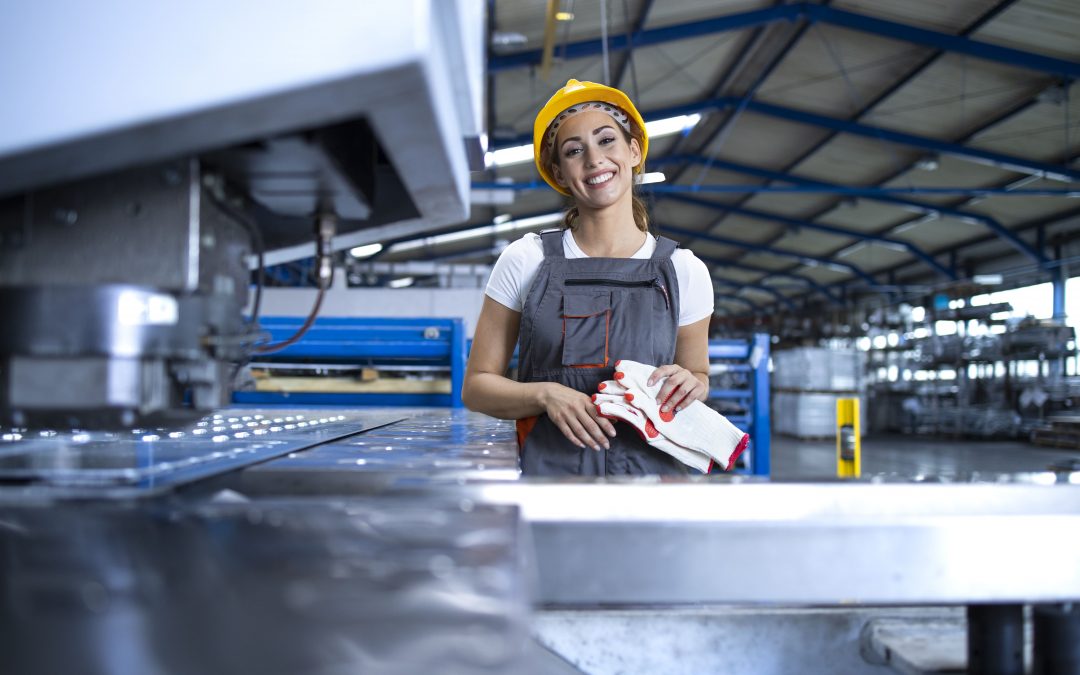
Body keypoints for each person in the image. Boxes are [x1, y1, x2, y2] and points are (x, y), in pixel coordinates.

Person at [462, 79, 715, 476]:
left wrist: (692, 382)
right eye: (574, 150)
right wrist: (545, 395)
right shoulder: (526, 260)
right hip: (550, 487)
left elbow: (697, 375)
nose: (594, 159)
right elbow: (477, 387)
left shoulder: (684, 270)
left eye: (606, 141)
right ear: (560, 174)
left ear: (633, 151)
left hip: (652, 485)